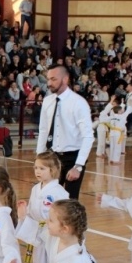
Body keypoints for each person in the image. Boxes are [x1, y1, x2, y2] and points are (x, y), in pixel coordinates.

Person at [17, 151, 68, 263]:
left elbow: (64, 214)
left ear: (52, 170)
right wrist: (25, 213)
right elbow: (33, 211)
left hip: (53, 232)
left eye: (42, 168)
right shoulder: (35, 189)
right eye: (36, 168)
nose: (37, 171)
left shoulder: (59, 191)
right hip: (38, 230)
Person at [36, 65, 94, 199]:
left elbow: (88, 136)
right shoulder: (47, 101)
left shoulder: (79, 103)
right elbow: (43, 130)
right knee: (46, 198)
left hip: (72, 157)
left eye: (53, 79)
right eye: (48, 79)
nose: (49, 83)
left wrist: (78, 166)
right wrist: (39, 157)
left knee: (70, 202)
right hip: (52, 157)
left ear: (65, 79)